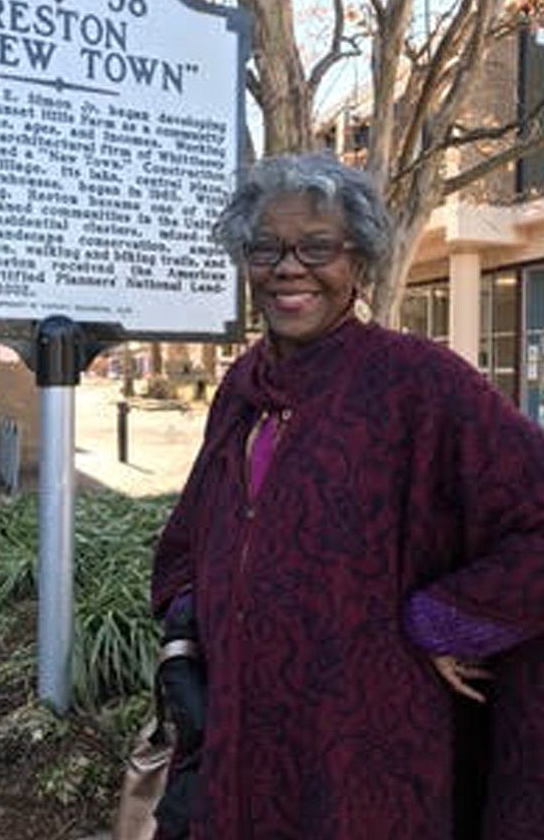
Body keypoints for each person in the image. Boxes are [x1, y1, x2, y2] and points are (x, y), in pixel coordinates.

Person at [151, 152, 544, 840]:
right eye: (266, 247)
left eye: (318, 247)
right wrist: (190, 616)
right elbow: (198, 531)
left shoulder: (420, 384)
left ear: (358, 264)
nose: (288, 267)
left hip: (367, 747)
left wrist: (449, 618)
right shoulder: (242, 388)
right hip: (242, 728)